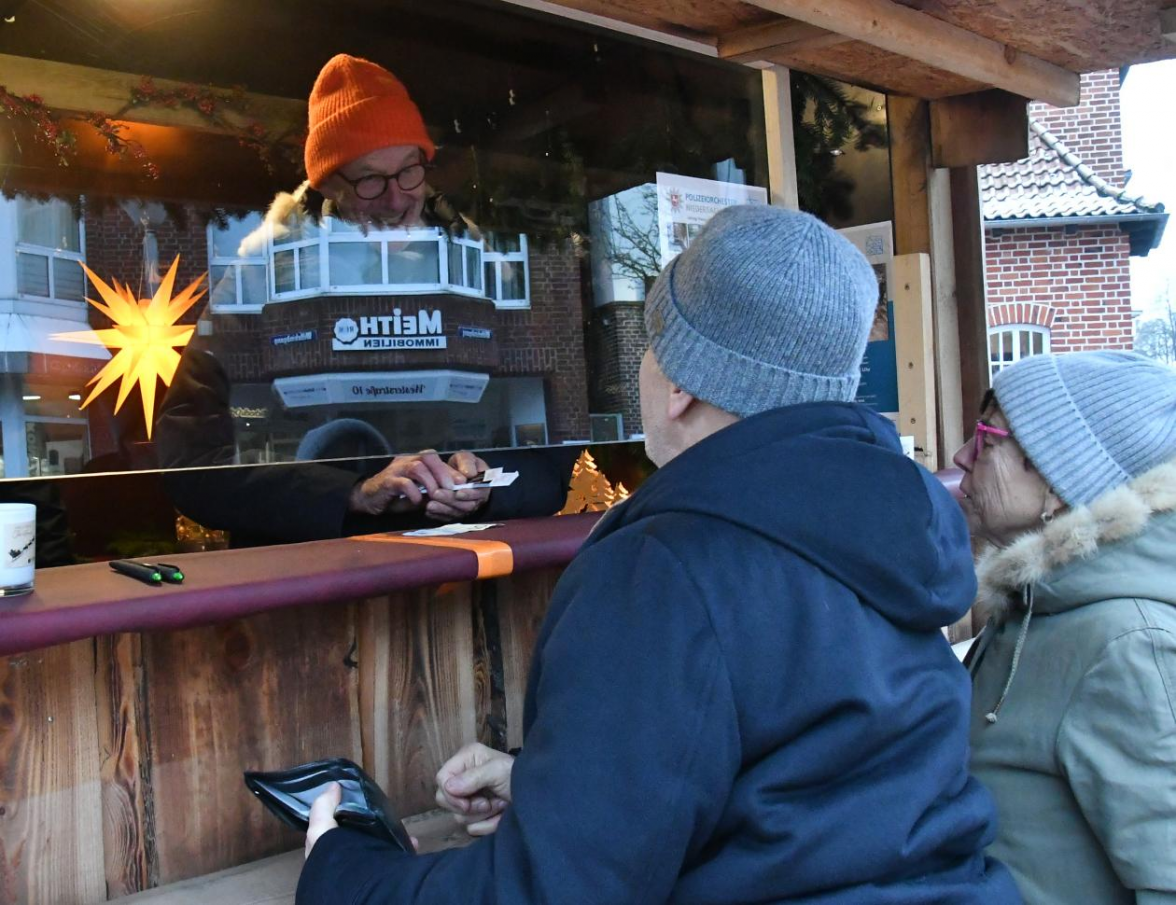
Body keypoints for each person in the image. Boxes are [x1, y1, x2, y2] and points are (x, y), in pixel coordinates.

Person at [297, 204, 1019, 903]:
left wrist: (343, 869)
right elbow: (808, 792)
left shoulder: (667, 568)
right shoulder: (888, 530)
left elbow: (546, 892)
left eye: (650, 343)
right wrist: (555, 785)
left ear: (677, 384)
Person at [156, 54, 568, 542]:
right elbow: (193, 469)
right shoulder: (256, 287)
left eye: (409, 171)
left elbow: (554, 455)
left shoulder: (483, 278)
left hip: (467, 576)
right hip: (317, 582)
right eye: (370, 180)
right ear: (328, 183)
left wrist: (488, 483)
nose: (396, 198)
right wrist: (348, 494)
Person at [953, 350, 1176, 904]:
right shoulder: (1038, 611)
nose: (961, 456)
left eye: (987, 439)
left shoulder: (1131, 645)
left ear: (1058, 478)